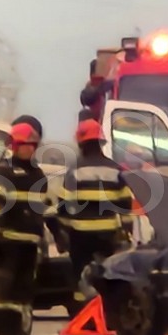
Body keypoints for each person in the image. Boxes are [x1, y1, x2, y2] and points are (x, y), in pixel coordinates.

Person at [0, 122, 59, 335]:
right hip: (7, 240)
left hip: (30, 241)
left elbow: (46, 207)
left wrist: (58, 234)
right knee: (1, 288)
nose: (30, 149)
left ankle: (18, 333)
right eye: (26, 145)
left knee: (23, 291)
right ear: (15, 146)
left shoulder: (38, 174)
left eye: (33, 145)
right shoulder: (3, 172)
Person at [57, 119, 135, 288]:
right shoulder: (115, 170)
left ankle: (83, 309)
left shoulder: (74, 170)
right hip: (108, 235)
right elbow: (125, 206)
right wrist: (127, 233)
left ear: (81, 143)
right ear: (100, 142)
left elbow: (64, 207)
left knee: (81, 279)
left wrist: (62, 234)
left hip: (80, 236)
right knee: (108, 277)